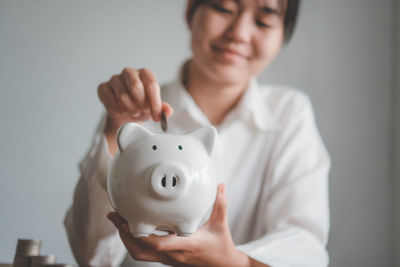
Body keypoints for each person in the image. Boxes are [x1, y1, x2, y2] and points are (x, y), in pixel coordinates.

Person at [64, 0, 330, 266]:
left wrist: (232, 261)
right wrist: (115, 129)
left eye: (263, 21)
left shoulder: (289, 114)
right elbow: (91, 257)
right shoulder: (134, 109)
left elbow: (305, 247)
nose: (239, 33)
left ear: (283, 35)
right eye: (224, 8)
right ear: (191, 9)